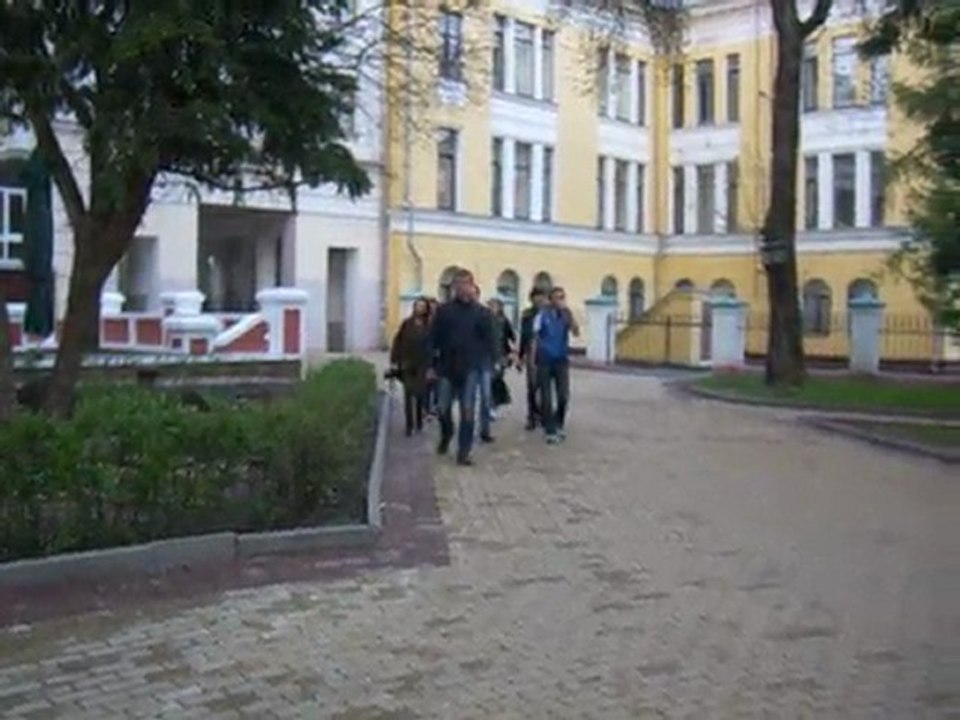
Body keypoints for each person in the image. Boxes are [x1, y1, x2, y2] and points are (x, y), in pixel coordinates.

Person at [426, 269, 492, 466]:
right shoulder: (444, 311)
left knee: (467, 410)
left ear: (472, 286)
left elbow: (489, 341)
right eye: (459, 284)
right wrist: (431, 365)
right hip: (446, 367)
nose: (463, 288)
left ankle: (464, 451)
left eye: (466, 284)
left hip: (470, 368)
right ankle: (447, 433)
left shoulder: (482, 313)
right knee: (443, 408)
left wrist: (487, 363)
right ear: (454, 287)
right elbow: (432, 339)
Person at [532, 286, 579, 445]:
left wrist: (571, 318)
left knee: (563, 395)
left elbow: (576, 332)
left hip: (561, 359)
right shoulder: (542, 315)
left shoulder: (566, 314)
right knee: (546, 395)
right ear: (551, 300)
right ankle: (550, 429)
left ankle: (559, 423)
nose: (560, 300)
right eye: (557, 297)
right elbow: (535, 336)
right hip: (545, 358)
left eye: (562, 297)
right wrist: (533, 357)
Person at [390, 297, 431, 436]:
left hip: (423, 364)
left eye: (422, 306)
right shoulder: (407, 324)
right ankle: (409, 425)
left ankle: (419, 420)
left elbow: (433, 346)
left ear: (426, 309)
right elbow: (398, 341)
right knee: (408, 394)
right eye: (417, 306)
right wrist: (395, 360)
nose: (420, 308)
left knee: (419, 394)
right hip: (407, 363)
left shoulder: (429, 325)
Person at [518, 288, 547, 430]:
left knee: (545, 387)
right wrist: (521, 356)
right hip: (532, 353)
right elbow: (524, 335)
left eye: (541, 297)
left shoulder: (550, 313)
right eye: (536, 297)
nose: (539, 300)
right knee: (532, 386)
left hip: (547, 354)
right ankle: (532, 416)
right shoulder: (527, 315)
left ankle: (543, 414)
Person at [473, 284, 496, 443]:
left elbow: (493, 338)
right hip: (468, 363)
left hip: (485, 362)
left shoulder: (485, 314)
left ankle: (484, 429)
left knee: (486, 397)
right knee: (468, 399)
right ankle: (467, 427)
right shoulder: (461, 314)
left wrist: (496, 358)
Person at [487, 297, 516, 413]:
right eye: (490, 305)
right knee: (489, 380)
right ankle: (493, 402)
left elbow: (512, 337)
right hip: (487, 354)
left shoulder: (503, 320)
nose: (491, 308)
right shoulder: (485, 319)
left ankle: (496, 402)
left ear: (499, 308)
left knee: (496, 378)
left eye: (494, 306)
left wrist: (514, 353)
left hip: (502, 354)